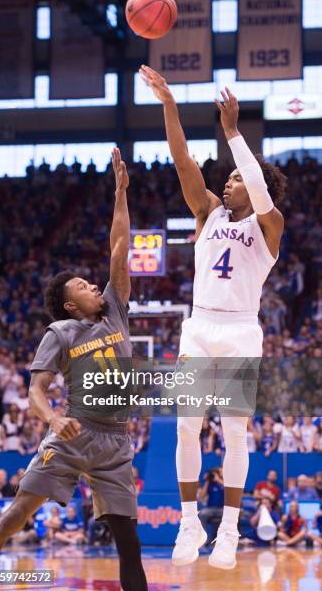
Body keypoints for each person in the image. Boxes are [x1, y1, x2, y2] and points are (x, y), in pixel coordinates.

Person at [140, 64, 286, 570]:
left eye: (235, 180)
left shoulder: (271, 225)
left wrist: (232, 133)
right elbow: (182, 163)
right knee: (185, 428)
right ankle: (188, 521)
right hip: (200, 328)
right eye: (225, 179)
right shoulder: (207, 214)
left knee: (237, 434)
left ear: (253, 184)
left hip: (243, 330)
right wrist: (170, 107)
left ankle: (228, 530)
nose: (226, 185)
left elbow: (262, 195)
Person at [0, 149, 148, 591]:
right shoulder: (61, 331)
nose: (95, 284)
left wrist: (120, 194)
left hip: (116, 441)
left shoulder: (115, 310)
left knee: (128, 540)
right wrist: (53, 418)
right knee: (16, 516)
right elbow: (35, 389)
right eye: (83, 286)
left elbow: (119, 245)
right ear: (70, 303)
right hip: (75, 434)